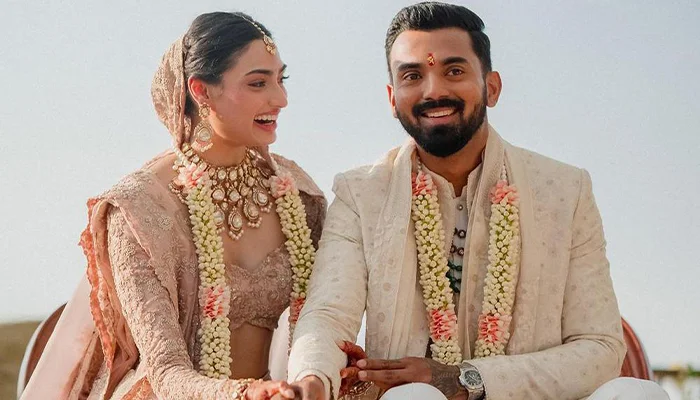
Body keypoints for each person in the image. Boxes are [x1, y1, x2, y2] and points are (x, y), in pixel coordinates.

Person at [286, 2, 668, 400]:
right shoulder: (362, 194)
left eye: (454, 71)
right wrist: (312, 379)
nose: (434, 91)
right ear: (392, 97)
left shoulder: (563, 191)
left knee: (639, 394)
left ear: (493, 86)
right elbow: (328, 315)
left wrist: (467, 378)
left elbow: (600, 349)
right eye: (413, 75)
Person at [21, 11, 326, 400]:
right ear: (201, 91)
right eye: (258, 83)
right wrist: (244, 395)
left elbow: (322, 325)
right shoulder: (138, 211)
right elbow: (165, 371)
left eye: (281, 80)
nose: (280, 99)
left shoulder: (299, 197)